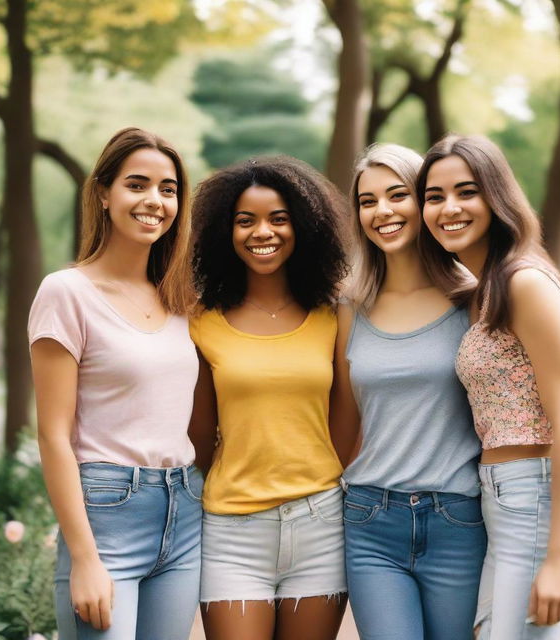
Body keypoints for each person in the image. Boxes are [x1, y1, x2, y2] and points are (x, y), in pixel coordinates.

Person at [418, 133, 560, 639]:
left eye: (466, 191)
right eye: (434, 196)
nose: (449, 208)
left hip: (538, 500)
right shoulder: (481, 293)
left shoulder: (525, 283)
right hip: (497, 505)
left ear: (497, 197)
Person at [29, 127, 203, 639]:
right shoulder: (67, 293)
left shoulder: (180, 298)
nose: (154, 201)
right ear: (103, 194)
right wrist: (84, 558)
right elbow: (53, 437)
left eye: (168, 189)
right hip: (107, 514)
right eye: (137, 184)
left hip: (184, 512)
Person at [187, 156, 349, 640]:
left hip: (321, 524)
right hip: (233, 531)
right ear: (225, 231)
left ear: (303, 226)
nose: (263, 232)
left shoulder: (333, 315)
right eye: (245, 220)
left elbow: (344, 425)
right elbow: (199, 437)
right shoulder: (202, 321)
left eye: (279, 218)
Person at [329, 143, 486, 640]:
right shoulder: (349, 307)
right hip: (371, 519)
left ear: (424, 201)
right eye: (367, 201)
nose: (383, 212)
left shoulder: (475, 298)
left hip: (458, 517)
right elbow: (344, 424)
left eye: (397, 195)